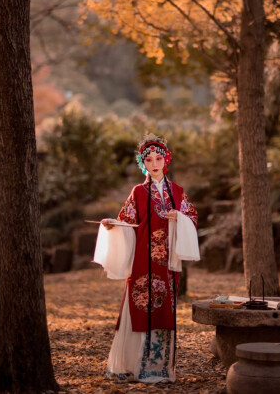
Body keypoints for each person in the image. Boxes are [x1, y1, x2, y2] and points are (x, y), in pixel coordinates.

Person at [93, 134, 200, 383]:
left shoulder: (177, 192)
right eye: (149, 159)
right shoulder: (139, 192)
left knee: (164, 308)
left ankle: (160, 368)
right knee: (139, 305)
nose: (154, 163)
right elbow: (127, 221)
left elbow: (192, 217)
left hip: (167, 263)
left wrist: (180, 218)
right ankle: (132, 365)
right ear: (144, 164)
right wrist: (111, 225)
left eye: (159, 158)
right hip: (142, 259)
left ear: (166, 160)